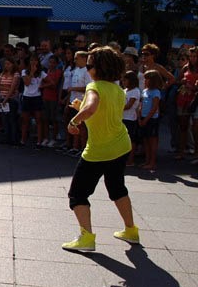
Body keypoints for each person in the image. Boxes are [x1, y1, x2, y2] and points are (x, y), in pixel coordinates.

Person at [62, 46, 138, 252]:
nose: (87, 69)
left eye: (89, 65)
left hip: (99, 150)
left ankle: (86, 238)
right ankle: (131, 231)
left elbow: (92, 108)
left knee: (77, 194)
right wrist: (82, 108)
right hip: (121, 145)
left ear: (97, 69)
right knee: (117, 188)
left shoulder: (93, 87)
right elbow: (104, 110)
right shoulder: (117, 89)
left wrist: (74, 121)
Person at [139, 70, 162, 172]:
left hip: (152, 119)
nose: (145, 81)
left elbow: (154, 108)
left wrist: (146, 119)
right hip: (143, 117)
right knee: (145, 141)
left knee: (152, 140)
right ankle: (147, 160)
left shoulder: (156, 92)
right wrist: (140, 118)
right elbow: (141, 105)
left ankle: (152, 162)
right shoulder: (144, 91)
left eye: (147, 79)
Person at [20, 56, 46, 148]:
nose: (33, 62)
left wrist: (42, 86)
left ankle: (39, 141)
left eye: (35, 60)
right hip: (27, 96)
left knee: (38, 119)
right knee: (25, 120)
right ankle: (23, 140)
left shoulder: (42, 73)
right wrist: (32, 72)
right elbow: (26, 83)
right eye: (31, 60)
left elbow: (51, 82)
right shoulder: (24, 71)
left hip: (37, 97)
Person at [122, 71, 141, 167]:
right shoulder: (124, 91)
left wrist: (116, 107)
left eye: (125, 80)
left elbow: (129, 105)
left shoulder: (135, 91)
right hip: (122, 118)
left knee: (131, 140)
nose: (123, 82)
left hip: (130, 119)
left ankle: (130, 160)